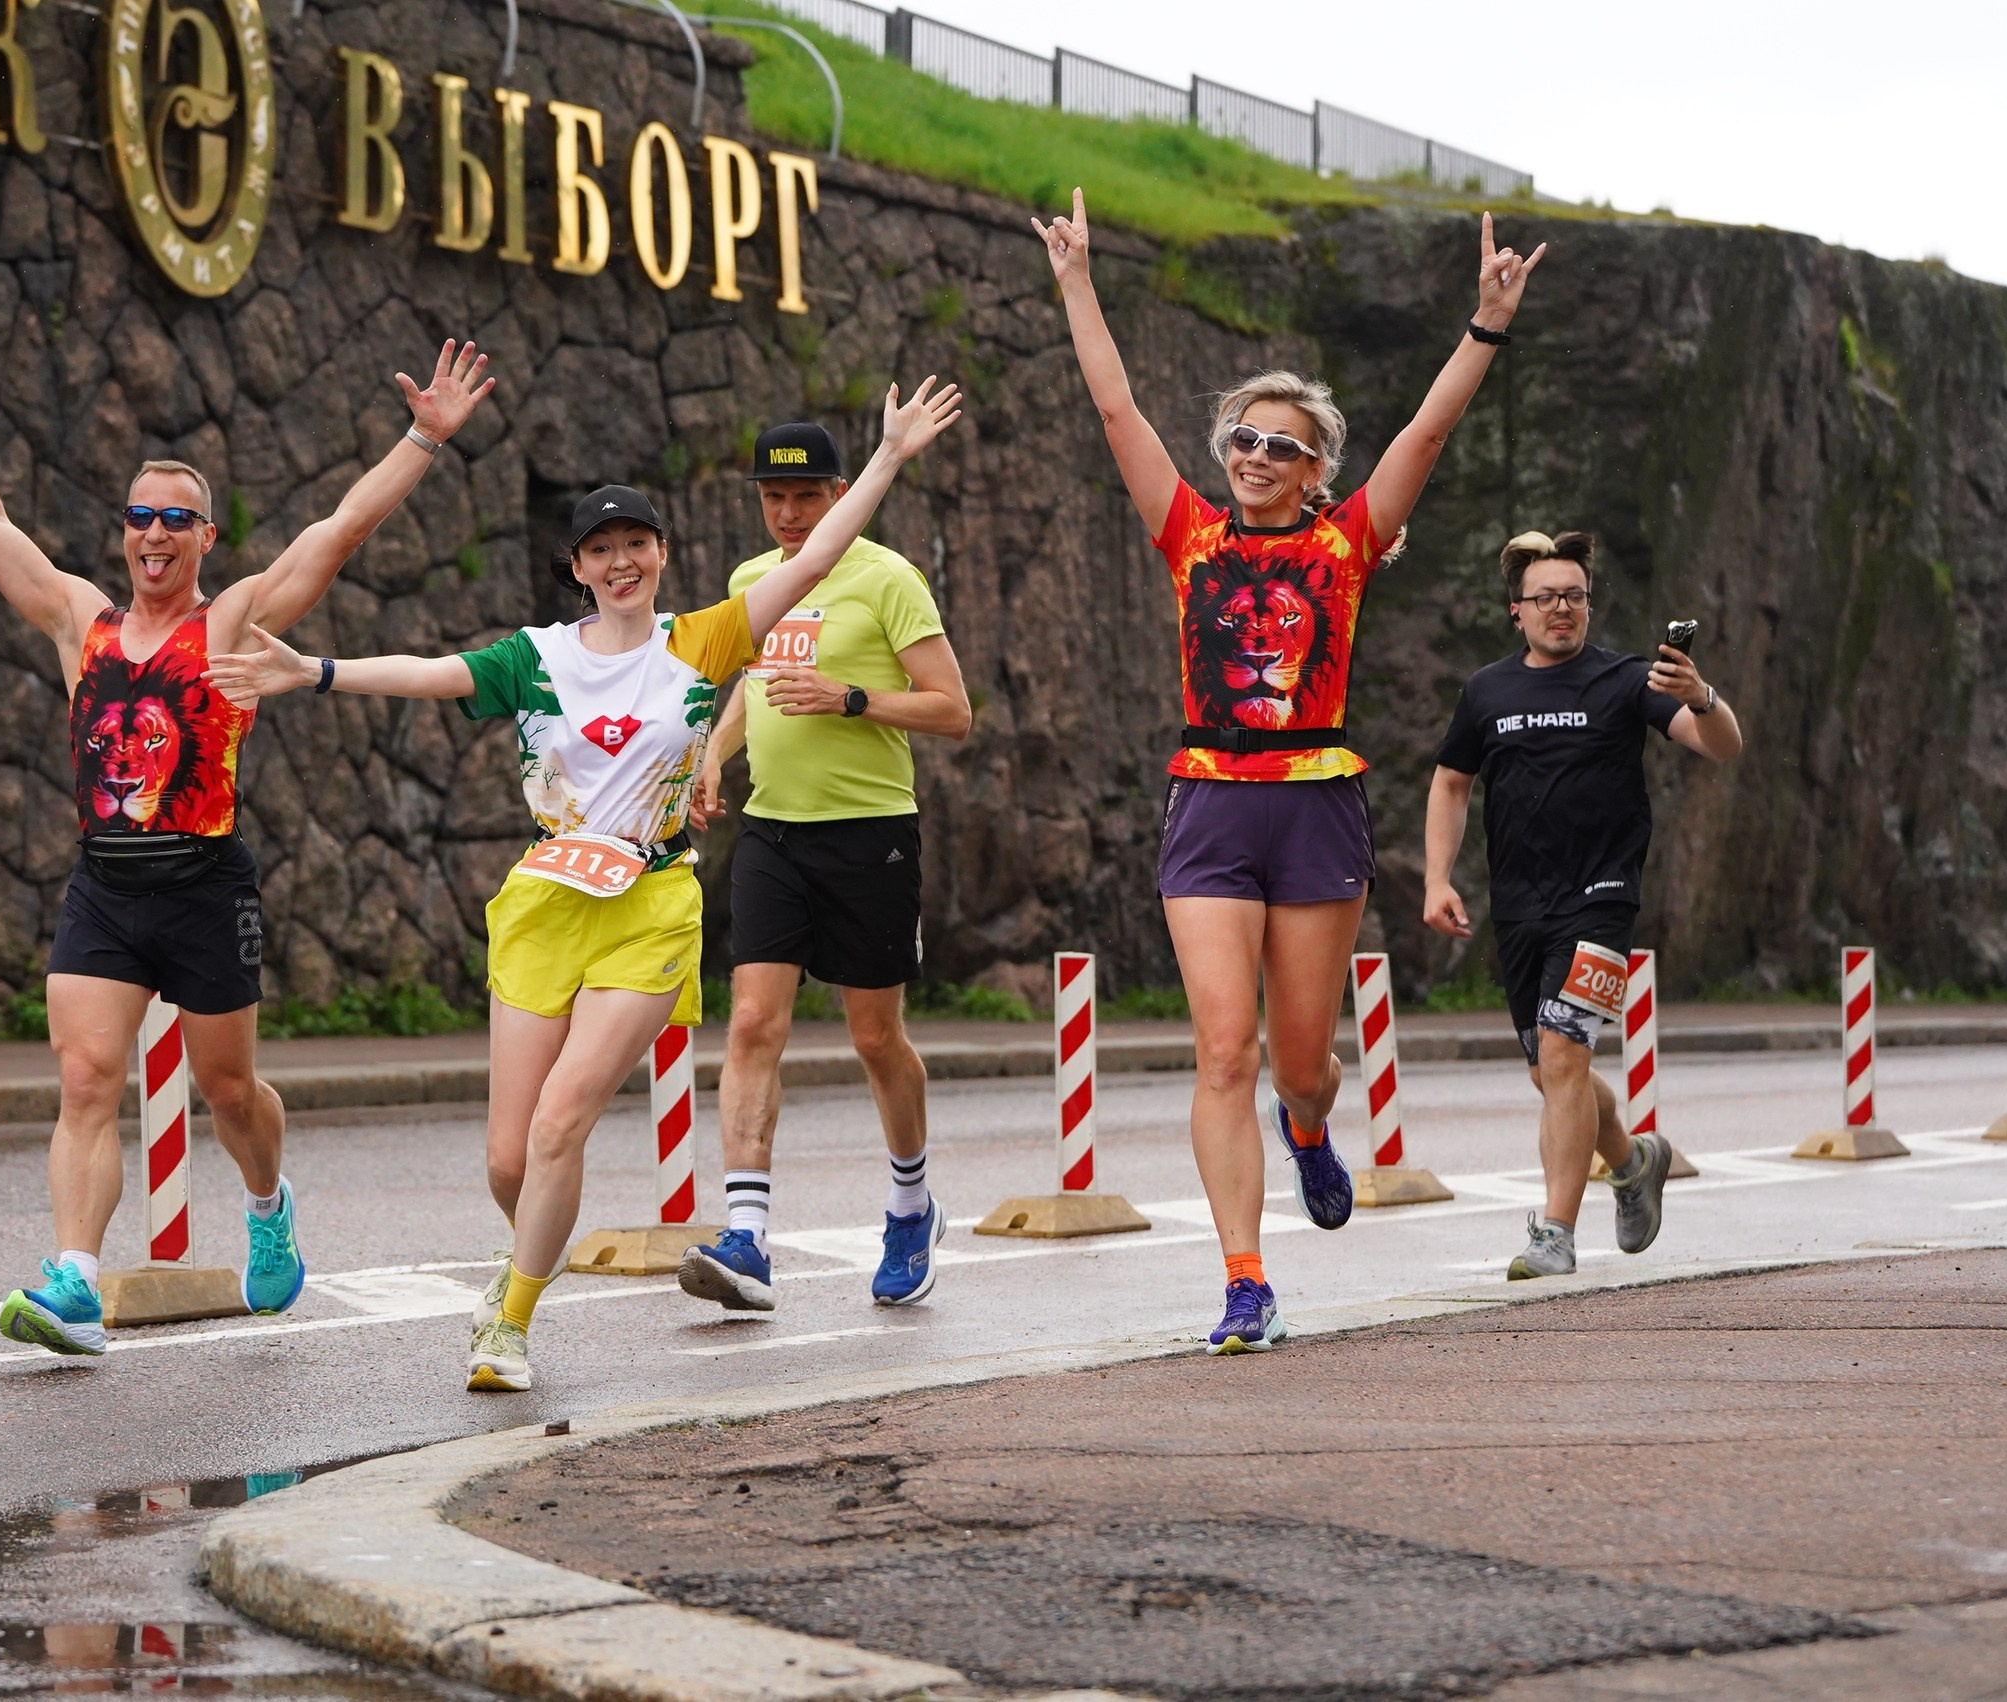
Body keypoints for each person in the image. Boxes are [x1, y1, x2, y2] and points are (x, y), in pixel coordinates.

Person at [206, 379, 965, 1394]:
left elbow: (820, 554)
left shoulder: (703, 640)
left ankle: (509, 1325)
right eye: (600, 550)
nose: (620, 562)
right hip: (544, 905)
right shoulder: (537, 658)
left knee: (564, 1120)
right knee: (510, 1159)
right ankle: (527, 1256)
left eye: (636, 545)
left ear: (660, 556)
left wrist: (888, 457)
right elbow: (433, 672)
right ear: (576, 569)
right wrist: (321, 670)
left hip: (648, 906)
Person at [0, 327, 495, 1357]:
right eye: (138, 517)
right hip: (106, 888)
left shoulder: (235, 624)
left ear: (205, 537)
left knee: (228, 1091)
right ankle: (76, 1280)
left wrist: (422, 440)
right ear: (122, 533)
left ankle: (266, 1206)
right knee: (85, 1080)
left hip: (207, 883)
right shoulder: (82, 620)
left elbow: (336, 531)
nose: (153, 533)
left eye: (175, 519)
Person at [1035, 191, 1547, 1354]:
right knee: (1223, 1047)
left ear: (1317, 473)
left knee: (1302, 1061)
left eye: (1282, 445)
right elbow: (1114, 406)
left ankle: (1309, 1132)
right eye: (1242, 441)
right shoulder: (1188, 534)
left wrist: (1485, 325)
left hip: (1316, 803)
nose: (1256, 456)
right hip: (1211, 798)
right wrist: (1075, 278)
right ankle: (1243, 1278)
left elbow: (1424, 434)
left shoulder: (1345, 542)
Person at [671, 422, 974, 1314]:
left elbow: (953, 710)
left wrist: (851, 700)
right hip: (773, 834)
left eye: (806, 496)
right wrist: (712, 753)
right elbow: (750, 679)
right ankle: (748, 1241)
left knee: (876, 1038)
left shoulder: (887, 578)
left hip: (871, 833)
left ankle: (912, 1206)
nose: (790, 513)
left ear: (841, 493)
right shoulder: (751, 581)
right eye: (774, 497)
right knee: (753, 1023)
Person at [1424, 530, 1743, 1278]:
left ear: (1589, 607)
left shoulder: (1628, 680)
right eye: (1545, 598)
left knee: (1565, 1056)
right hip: (1520, 907)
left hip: (1601, 901)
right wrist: (1438, 878)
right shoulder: (1488, 692)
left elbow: (1721, 745)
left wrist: (1705, 695)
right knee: (1549, 1073)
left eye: (1574, 596)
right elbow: (1450, 784)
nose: (1560, 609)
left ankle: (1555, 1234)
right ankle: (1633, 1163)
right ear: (1517, 611)